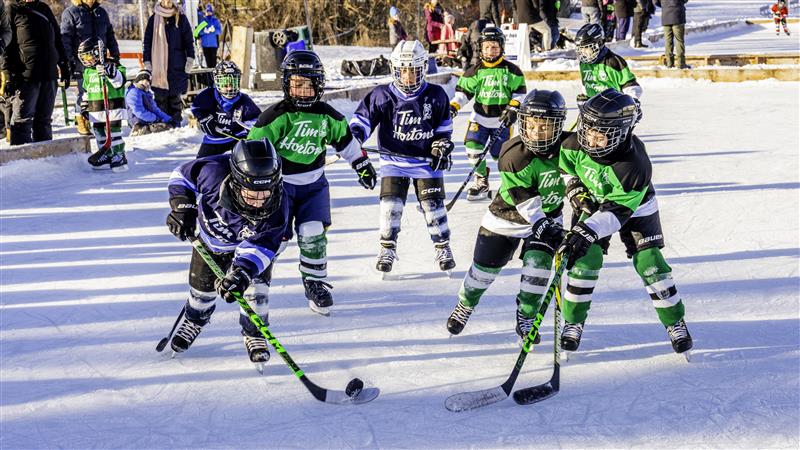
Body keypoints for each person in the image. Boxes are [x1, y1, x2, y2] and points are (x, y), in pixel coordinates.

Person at [557, 88, 692, 356]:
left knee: (650, 263)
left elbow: (617, 212)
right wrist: (574, 188)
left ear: (620, 133)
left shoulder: (634, 165)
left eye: (601, 134)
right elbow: (566, 169)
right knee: (585, 260)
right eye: (588, 129)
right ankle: (573, 322)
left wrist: (586, 231)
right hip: (595, 202)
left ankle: (675, 322)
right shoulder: (574, 144)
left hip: (635, 207)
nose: (590, 138)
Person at [247, 50, 374, 315]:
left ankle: (314, 282)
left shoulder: (328, 115)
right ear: (286, 84)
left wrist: (361, 164)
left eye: (309, 84)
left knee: (313, 233)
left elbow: (346, 141)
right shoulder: (274, 117)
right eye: (297, 84)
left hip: (314, 185)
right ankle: (258, 274)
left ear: (319, 85)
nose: (303, 91)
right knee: (275, 239)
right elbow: (252, 151)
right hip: (278, 188)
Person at [446, 90, 569, 343]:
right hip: (506, 219)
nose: (536, 133)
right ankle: (466, 304)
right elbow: (524, 199)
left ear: (558, 126)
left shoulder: (569, 149)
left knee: (539, 269)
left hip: (548, 218)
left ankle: (526, 317)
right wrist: (543, 224)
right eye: (531, 125)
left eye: (544, 127)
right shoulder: (513, 152)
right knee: (482, 274)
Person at [165, 139, 287, 366]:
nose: (260, 203)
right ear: (237, 182)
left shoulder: (279, 206)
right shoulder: (213, 172)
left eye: (265, 194)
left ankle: (254, 333)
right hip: (211, 244)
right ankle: (195, 319)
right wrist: (183, 207)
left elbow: (263, 246)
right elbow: (181, 176)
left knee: (255, 294)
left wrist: (242, 273)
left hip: (249, 249)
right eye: (252, 194)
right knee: (201, 293)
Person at [349, 40, 456, 276]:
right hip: (393, 162)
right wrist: (356, 136)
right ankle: (387, 248)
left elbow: (444, 130)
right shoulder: (382, 95)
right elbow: (362, 120)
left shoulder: (436, 95)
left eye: (414, 70)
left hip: (425, 162)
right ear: (395, 69)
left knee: (433, 208)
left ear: (423, 69)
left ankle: (443, 247)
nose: (408, 76)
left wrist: (441, 146)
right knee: (390, 207)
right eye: (403, 70)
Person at [449, 26, 527, 200]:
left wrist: (513, 107)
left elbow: (520, 94)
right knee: (472, 148)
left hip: (501, 121)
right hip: (479, 118)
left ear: (502, 47)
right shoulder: (474, 71)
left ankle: (510, 184)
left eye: (495, 47)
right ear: (480, 48)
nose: (490, 51)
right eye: (487, 47)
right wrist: (453, 106)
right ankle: (481, 180)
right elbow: (463, 94)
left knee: (501, 156)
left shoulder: (512, 70)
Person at [2, 0, 70, 145]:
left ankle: (44, 159)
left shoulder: (44, 8)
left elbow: (57, 39)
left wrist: (64, 64)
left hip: (49, 74)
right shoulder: (12, 10)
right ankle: (21, 161)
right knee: (22, 121)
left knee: (44, 120)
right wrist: (7, 74)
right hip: (26, 76)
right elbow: (6, 46)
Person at [61, 0, 120, 136]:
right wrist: (70, 62)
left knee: (99, 91)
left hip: (100, 60)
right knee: (84, 93)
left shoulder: (101, 12)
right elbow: (66, 39)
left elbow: (109, 34)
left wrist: (115, 55)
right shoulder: (71, 12)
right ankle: (81, 119)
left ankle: (99, 122)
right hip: (81, 62)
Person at [191, 61, 260, 157]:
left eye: (233, 83)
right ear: (217, 82)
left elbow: (256, 120)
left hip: (237, 140)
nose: (229, 88)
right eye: (225, 84)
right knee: (200, 166)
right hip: (213, 140)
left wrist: (250, 130)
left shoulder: (244, 101)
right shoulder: (207, 96)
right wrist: (203, 118)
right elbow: (196, 108)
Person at [78, 38, 128, 172]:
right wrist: (84, 105)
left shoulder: (114, 66)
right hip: (96, 108)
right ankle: (105, 154)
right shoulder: (88, 72)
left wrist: (110, 72)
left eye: (88, 55)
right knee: (99, 133)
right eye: (83, 57)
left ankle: (119, 155)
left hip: (112, 107)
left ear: (97, 53)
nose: (86, 60)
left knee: (114, 133)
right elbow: (86, 90)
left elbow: (119, 82)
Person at [143, 0, 195, 122]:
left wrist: (190, 58)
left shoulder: (180, 18)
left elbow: (188, 41)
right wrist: (147, 61)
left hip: (177, 64)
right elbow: (147, 42)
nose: (167, 2)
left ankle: (176, 125)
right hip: (158, 67)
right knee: (160, 98)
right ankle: (163, 125)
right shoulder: (153, 19)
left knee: (175, 99)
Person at [574, 22, 642, 103]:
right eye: (581, 49)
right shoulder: (584, 64)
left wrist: (632, 101)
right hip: (593, 110)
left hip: (614, 109)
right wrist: (585, 97)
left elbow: (631, 86)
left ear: (599, 43)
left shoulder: (614, 62)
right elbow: (587, 85)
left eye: (587, 48)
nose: (583, 52)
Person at [126, 69, 178, 136]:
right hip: (137, 121)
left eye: (147, 81)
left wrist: (168, 119)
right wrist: (155, 119)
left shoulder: (147, 94)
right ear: (138, 81)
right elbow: (139, 111)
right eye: (142, 80)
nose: (145, 83)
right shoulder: (134, 92)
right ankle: (138, 130)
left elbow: (155, 110)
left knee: (169, 126)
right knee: (160, 128)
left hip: (149, 120)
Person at [655, 0, 688, 69]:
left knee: (668, 41)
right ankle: (681, 63)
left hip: (666, 15)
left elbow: (655, 2)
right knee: (679, 40)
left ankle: (669, 63)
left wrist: (664, 5)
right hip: (677, 14)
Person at [194, 3, 221, 68]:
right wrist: (204, 31)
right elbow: (197, 32)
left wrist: (214, 30)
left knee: (213, 61)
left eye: (210, 12)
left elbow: (219, 31)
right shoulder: (203, 21)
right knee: (207, 61)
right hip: (205, 45)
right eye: (207, 12)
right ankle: (209, 76)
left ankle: (213, 75)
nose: (208, 13)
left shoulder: (215, 21)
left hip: (213, 45)